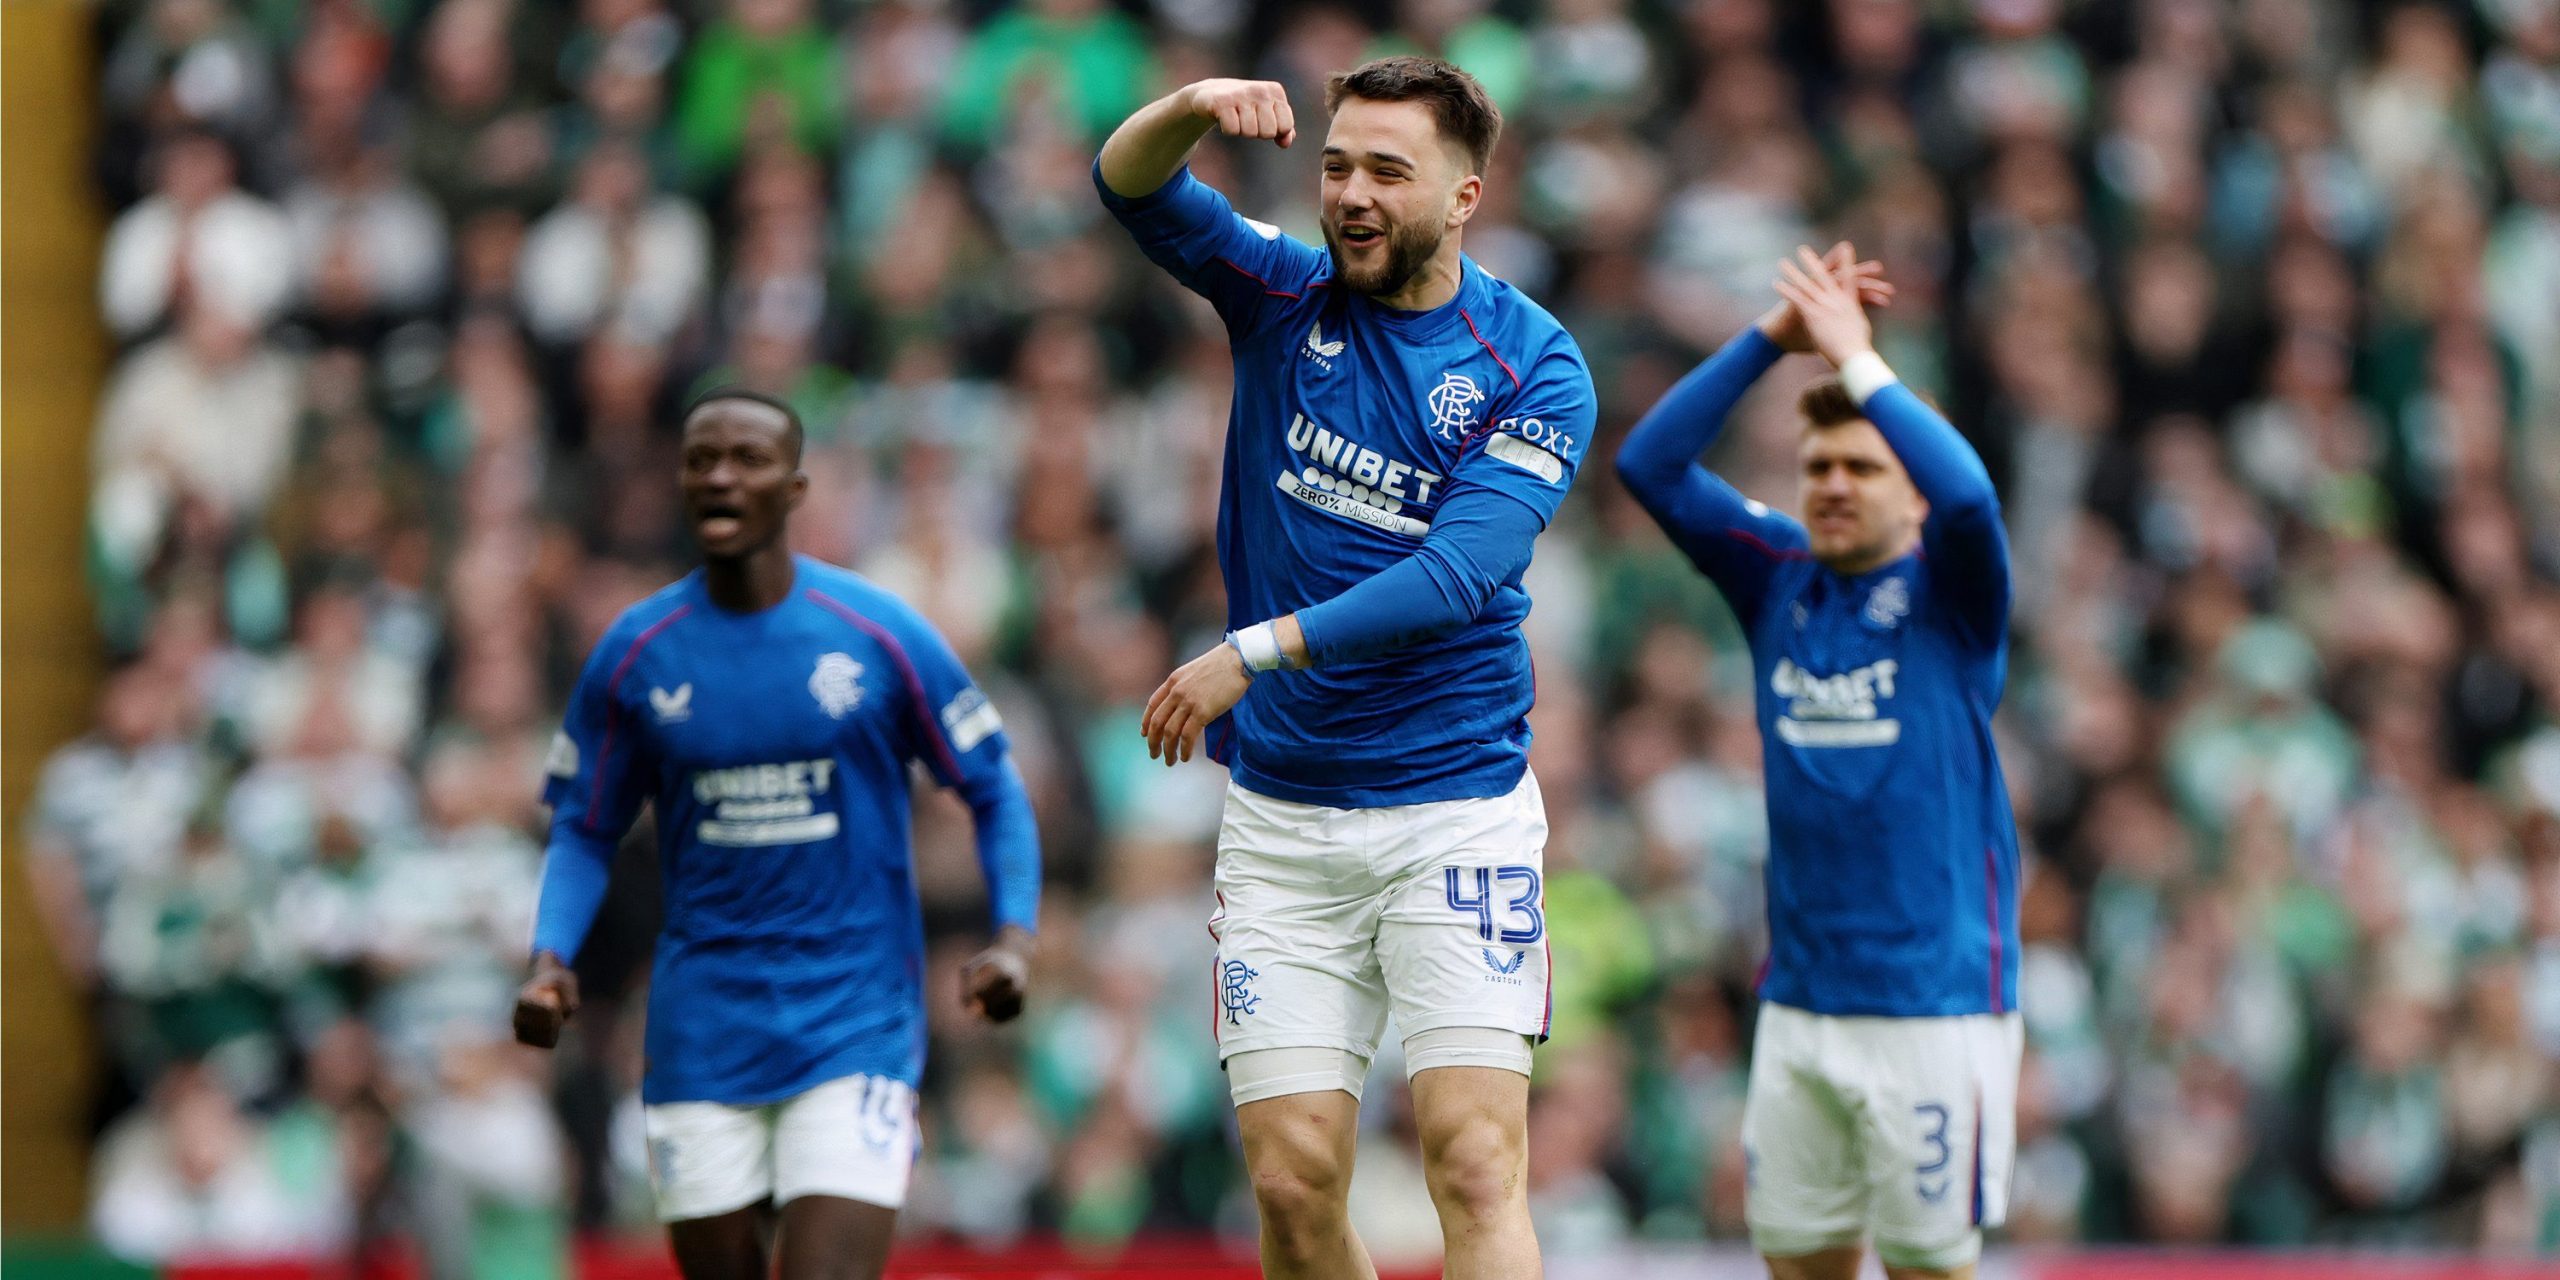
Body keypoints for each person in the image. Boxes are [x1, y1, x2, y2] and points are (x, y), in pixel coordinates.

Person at [1096, 55, 1595, 1280]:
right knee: (1289, 1179)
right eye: (1335, 167)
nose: (1352, 195)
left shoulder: (1534, 365)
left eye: (1387, 170)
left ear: (1464, 195)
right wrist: (1190, 108)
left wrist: (1253, 649)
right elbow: (1127, 185)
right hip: (1285, 818)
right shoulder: (1280, 291)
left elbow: (1458, 572)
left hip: (1454, 809)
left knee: (1472, 1161)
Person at [512, 389, 1040, 1280]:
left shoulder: (877, 633)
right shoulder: (638, 652)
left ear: (794, 489)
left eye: (747, 460)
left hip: (854, 1022)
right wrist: (549, 956)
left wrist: (1015, 936)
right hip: (701, 1033)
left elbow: (993, 788)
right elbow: (584, 828)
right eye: (702, 460)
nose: (721, 477)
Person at [1614, 245, 2021, 1280]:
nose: (1834, 484)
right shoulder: (1776, 577)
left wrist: (1857, 360)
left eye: (1863, 468)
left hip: (1933, 1004)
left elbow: (1971, 497)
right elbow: (1649, 465)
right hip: (1799, 1000)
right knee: (1798, 1262)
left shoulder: (1954, 597)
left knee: (1930, 1267)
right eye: (1820, 467)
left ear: (1910, 493)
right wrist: (1770, 340)